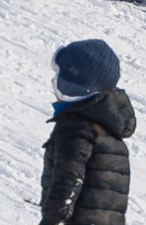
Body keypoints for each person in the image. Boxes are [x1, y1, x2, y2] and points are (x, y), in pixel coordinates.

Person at [41, 39, 137, 225]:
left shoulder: (75, 127)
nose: (53, 82)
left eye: (58, 77)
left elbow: (68, 181)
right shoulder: (110, 130)